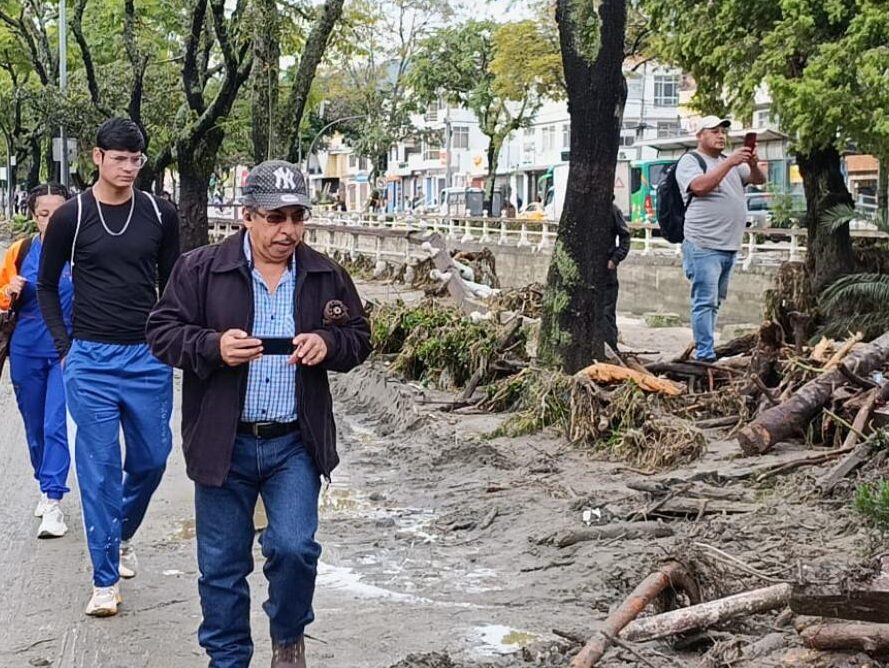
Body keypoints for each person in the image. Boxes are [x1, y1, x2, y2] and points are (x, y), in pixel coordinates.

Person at [146, 160, 371, 668]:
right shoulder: (201, 269)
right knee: (221, 568)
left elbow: (359, 338)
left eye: (297, 217)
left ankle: (288, 636)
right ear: (246, 216)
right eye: (276, 217)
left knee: (294, 548)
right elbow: (161, 331)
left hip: (294, 442)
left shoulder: (324, 275)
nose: (288, 231)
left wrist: (328, 343)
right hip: (223, 441)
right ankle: (227, 659)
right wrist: (211, 345)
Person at [38, 118, 181, 617]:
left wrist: (171, 341)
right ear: (97, 157)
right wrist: (65, 346)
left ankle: (121, 535)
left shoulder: (161, 215)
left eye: (136, 159)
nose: (128, 167)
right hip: (91, 358)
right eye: (119, 158)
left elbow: (174, 285)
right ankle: (103, 582)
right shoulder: (71, 217)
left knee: (153, 458)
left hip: (147, 358)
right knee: (98, 471)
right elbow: (46, 285)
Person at [0, 183, 73, 538]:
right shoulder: (21, 250)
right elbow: (0, 299)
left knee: (55, 423)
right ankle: (45, 485)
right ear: (33, 216)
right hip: (26, 349)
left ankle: (54, 500)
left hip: (66, 350)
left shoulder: (84, 253)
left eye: (59, 213)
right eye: (44, 214)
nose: (52, 220)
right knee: (33, 427)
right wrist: (7, 291)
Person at [675, 116, 766, 362]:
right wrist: (730, 163)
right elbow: (700, 186)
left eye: (723, 132)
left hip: (729, 245)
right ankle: (705, 354)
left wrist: (753, 164)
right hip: (703, 244)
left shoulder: (731, 162)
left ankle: (708, 347)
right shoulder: (690, 161)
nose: (720, 136)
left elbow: (759, 180)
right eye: (714, 131)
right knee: (704, 300)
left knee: (716, 301)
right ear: (700, 135)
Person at [604, 201, 631, 352]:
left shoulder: (612, 210)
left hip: (607, 270)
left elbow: (625, 237)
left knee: (607, 312)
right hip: (588, 270)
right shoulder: (585, 208)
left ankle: (610, 349)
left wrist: (615, 259)